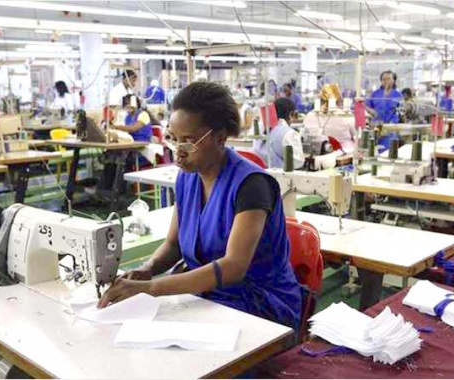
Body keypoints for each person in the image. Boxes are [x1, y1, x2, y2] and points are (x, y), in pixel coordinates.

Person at [98, 82, 304, 329]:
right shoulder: (187, 177)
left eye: (188, 141)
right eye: (173, 140)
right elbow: (173, 245)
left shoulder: (252, 184)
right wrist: (147, 269)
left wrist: (151, 288)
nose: (178, 152)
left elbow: (233, 268)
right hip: (208, 295)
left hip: (260, 303)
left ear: (219, 136)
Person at [303, 83, 356, 154]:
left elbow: (306, 137)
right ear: (338, 97)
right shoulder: (346, 116)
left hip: (316, 155)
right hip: (343, 157)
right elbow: (358, 136)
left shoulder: (309, 116)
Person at [253, 97, 304, 169]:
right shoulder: (289, 133)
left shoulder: (262, 127)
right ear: (290, 114)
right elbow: (298, 163)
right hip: (280, 177)